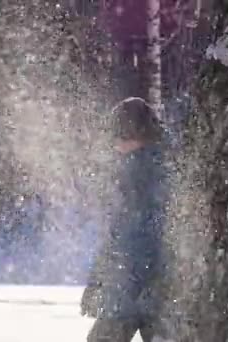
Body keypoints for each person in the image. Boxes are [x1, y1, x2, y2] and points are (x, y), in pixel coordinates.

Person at [81, 97, 167, 342]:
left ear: (133, 134)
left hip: (138, 290)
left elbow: (132, 238)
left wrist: (108, 286)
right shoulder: (145, 167)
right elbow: (120, 234)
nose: (114, 144)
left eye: (118, 136)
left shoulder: (146, 172)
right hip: (143, 291)